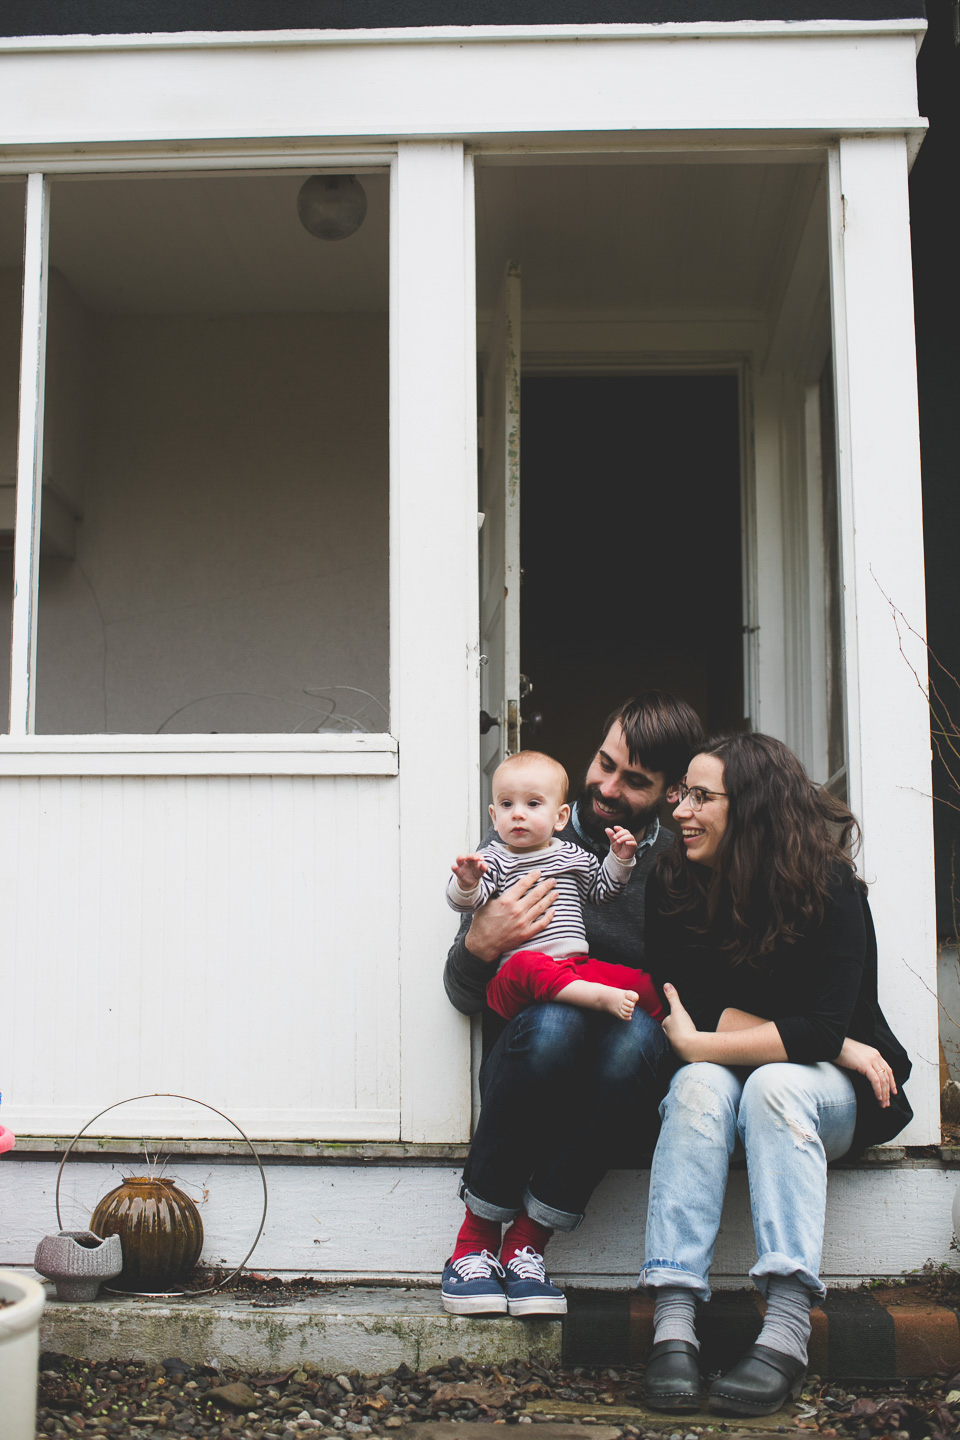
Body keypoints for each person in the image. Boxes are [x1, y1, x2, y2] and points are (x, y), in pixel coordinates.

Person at [639, 733, 913, 1417]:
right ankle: (673, 1326)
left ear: (753, 806)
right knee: (697, 1084)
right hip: (777, 1075)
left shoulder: (828, 884)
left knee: (774, 1083)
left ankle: (787, 1330)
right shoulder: (673, 880)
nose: (681, 810)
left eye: (702, 797)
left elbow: (743, 1032)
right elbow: (689, 1016)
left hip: (833, 1098)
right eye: (683, 794)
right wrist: (822, 1039)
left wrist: (826, 1043)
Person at [441, 692, 704, 1318]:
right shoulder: (517, 832)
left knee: (642, 1035)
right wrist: (481, 941)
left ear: (672, 793)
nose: (607, 787)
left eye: (634, 779)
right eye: (604, 762)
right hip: (532, 1053)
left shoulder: (677, 866)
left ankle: (530, 1242)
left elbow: (675, 995)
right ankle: (475, 1241)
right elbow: (460, 993)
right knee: (558, 1022)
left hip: (619, 1072)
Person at [447, 749, 663, 1024]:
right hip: (517, 980)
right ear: (493, 815)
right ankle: (595, 996)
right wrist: (467, 882)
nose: (518, 814)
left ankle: (672, 1033)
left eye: (533, 804)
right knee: (527, 965)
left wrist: (619, 859)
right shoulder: (494, 858)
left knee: (641, 982)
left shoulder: (573, 855)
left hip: (575, 968)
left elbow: (602, 891)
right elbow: (466, 903)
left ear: (560, 817)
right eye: (506, 804)